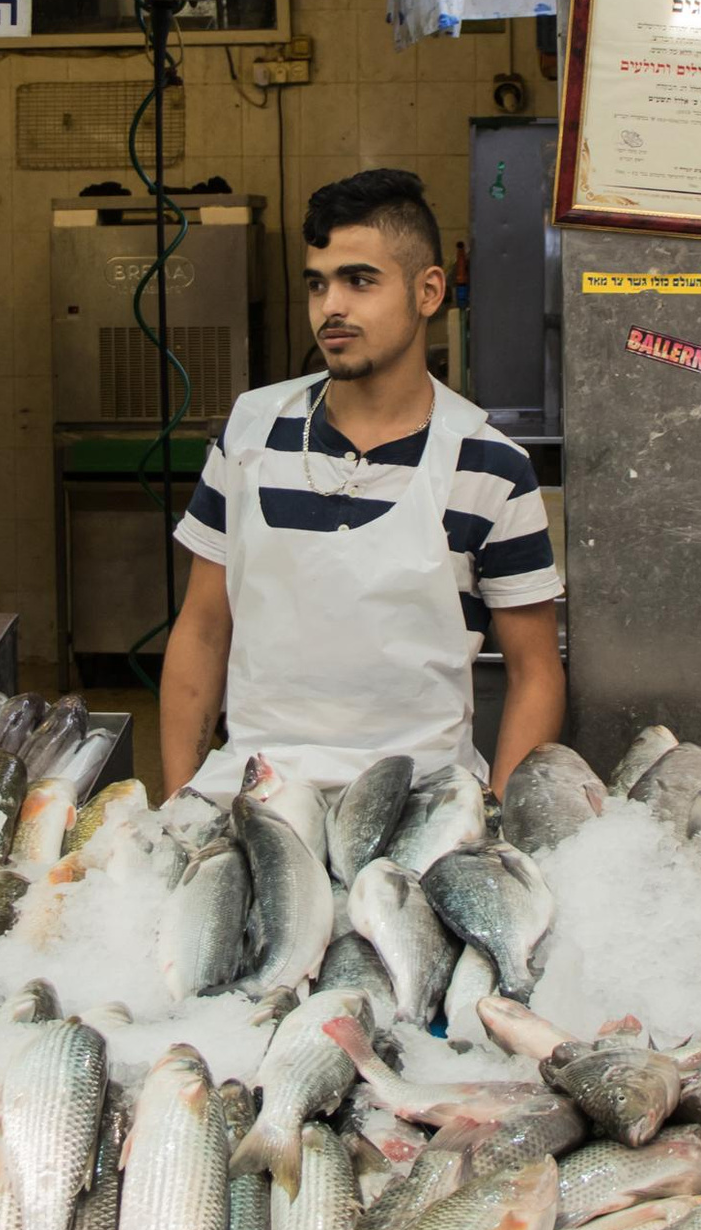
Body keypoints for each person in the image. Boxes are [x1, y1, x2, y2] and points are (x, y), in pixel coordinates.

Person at [160, 168, 565, 798]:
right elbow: (203, 630)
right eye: (318, 285)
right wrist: (179, 799)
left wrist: (496, 815)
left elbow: (535, 674)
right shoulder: (249, 437)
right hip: (256, 796)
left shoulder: (490, 467)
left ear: (429, 290)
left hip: (424, 808)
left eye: (360, 281)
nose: (332, 307)